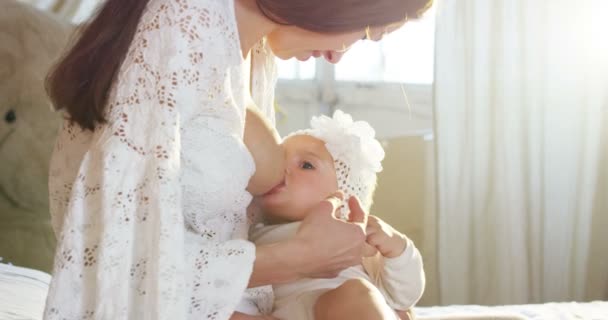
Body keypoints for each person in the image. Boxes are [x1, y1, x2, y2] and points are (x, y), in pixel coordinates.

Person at [44, 0, 433, 319]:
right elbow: (119, 259)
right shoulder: (182, 29)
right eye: (363, 32)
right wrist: (300, 257)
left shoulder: (250, 48)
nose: (336, 56)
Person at [240, 110, 425, 320]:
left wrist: (397, 247)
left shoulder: (352, 234)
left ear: (344, 198)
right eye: (281, 159)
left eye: (306, 165)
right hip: (289, 313)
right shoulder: (249, 227)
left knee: (356, 292)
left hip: (347, 306)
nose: (282, 168)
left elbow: (403, 297)